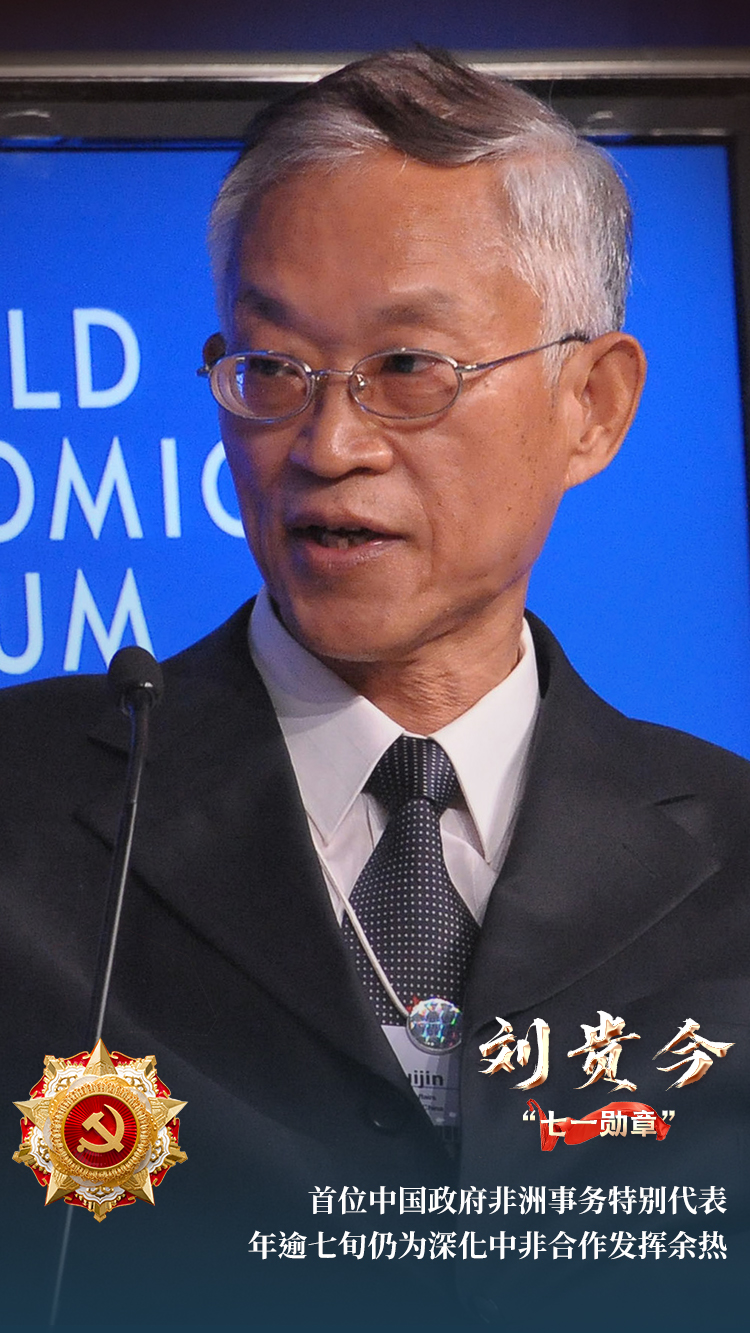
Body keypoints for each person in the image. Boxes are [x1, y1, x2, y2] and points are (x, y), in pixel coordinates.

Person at [1, 49, 748, 1332]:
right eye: (271, 368)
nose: (328, 445)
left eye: (409, 366)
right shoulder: (23, 808)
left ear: (593, 404)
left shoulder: (735, 855)